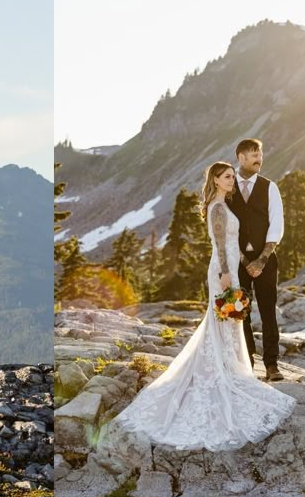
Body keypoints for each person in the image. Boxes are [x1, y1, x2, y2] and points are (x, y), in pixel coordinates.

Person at [108, 163, 294, 452]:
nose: (233, 180)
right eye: (228, 177)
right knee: (223, 319)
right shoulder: (218, 208)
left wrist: (245, 264)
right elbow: (220, 244)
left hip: (232, 265)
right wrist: (225, 272)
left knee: (229, 321)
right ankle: (222, 370)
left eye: (233, 176)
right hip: (223, 270)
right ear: (216, 181)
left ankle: (230, 367)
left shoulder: (223, 204)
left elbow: (233, 244)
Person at [228, 137, 285, 381]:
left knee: (268, 311)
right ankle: (247, 363)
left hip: (266, 260)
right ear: (241, 157)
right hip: (236, 261)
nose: (259, 158)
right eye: (254, 154)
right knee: (241, 312)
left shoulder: (269, 187)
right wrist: (243, 261)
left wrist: (261, 260)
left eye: (260, 153)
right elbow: (225, 228)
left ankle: (272, 365)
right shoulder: (228, 187)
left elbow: (277, 226)